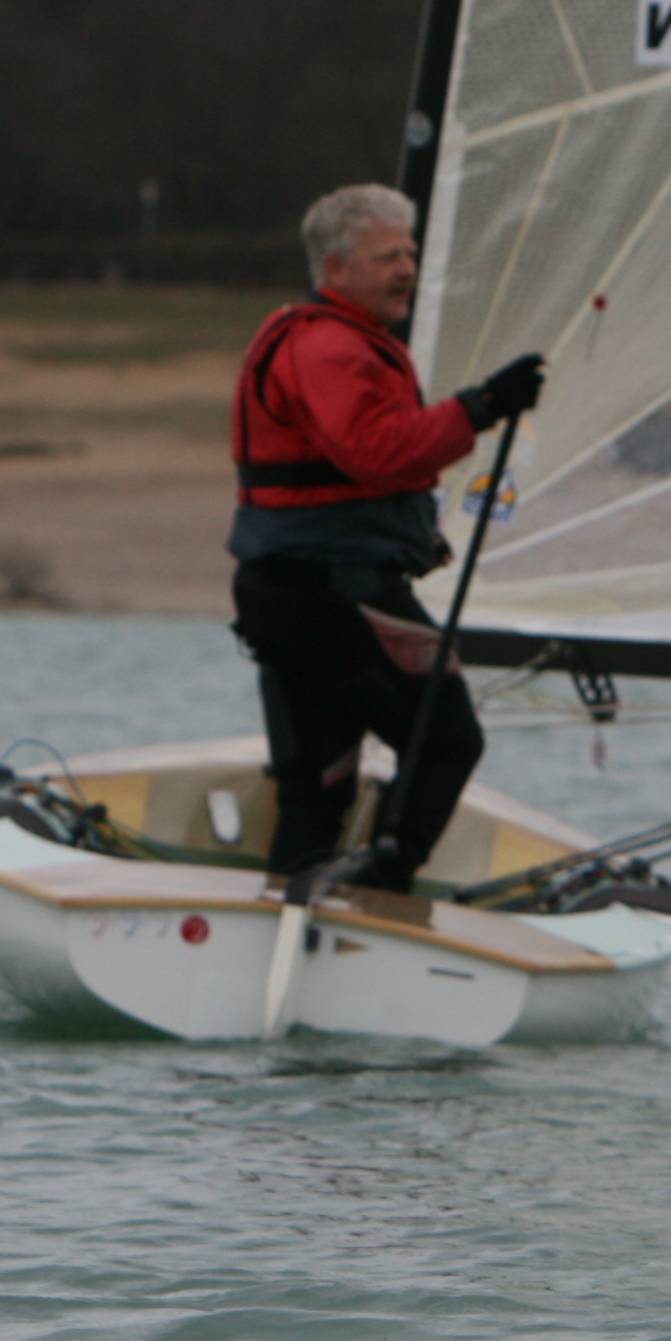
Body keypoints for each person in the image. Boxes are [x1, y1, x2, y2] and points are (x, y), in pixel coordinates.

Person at [228, 183, 545, 890]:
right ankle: (384, 882)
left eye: (408, 253)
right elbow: (375, 451)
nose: (405, 268)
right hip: (332, 599)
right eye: (385, 257)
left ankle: (300, 895)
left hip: (292, 594)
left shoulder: (330, 339)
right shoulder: (330, 349)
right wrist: (483, 406)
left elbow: (364, 474)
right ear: (334, 270)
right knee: (447, 741)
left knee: (323, 783)